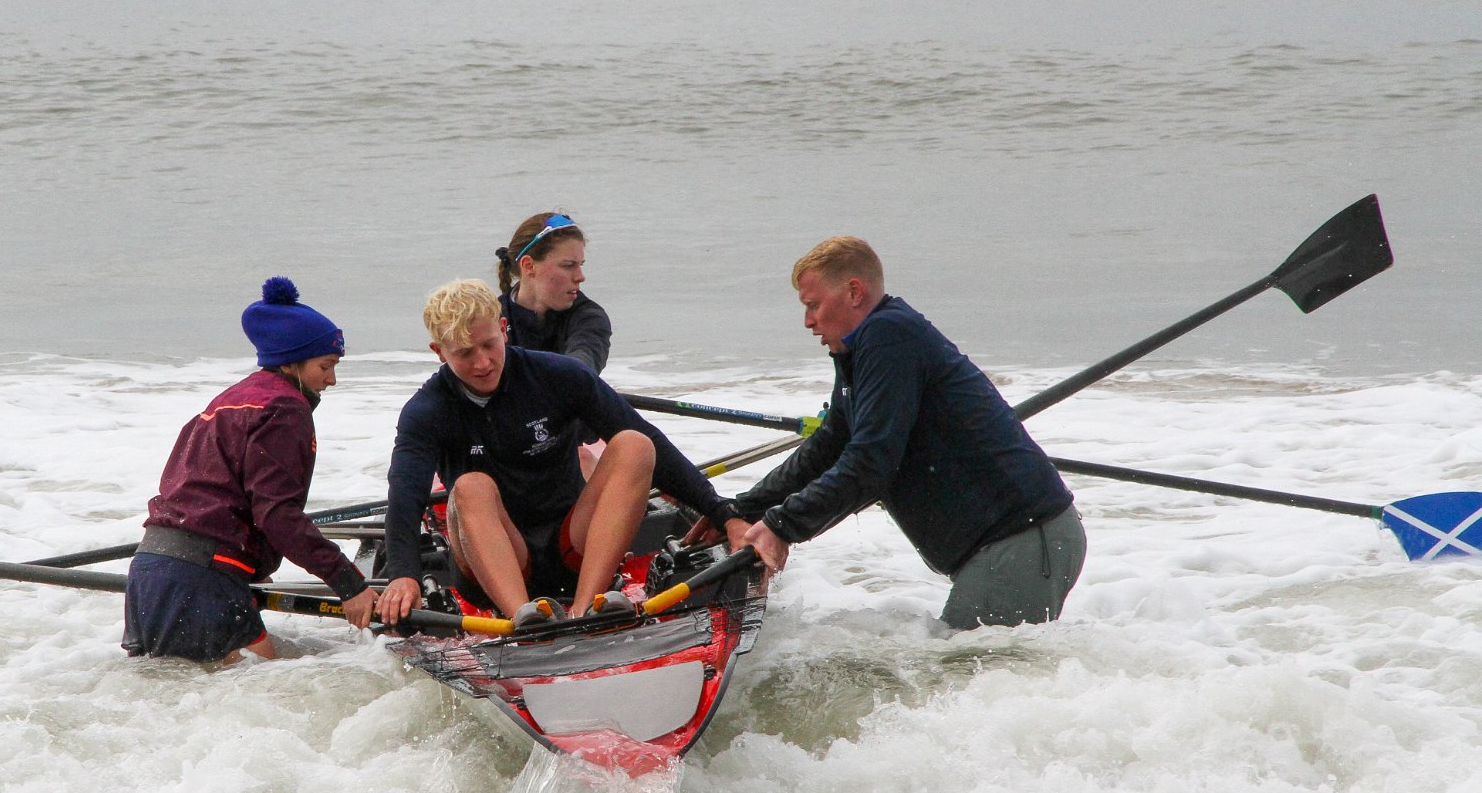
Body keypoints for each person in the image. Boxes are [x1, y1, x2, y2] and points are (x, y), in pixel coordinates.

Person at [689, 237, 1085, 631]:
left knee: (955, 673)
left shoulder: (889, 337)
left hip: (1023, 539)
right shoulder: (861, 351)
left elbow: (871, 464)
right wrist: (742, 510)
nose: (808, 322)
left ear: (854, 291)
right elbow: (829, 447)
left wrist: (782, 527)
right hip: (1013, 544)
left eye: (813, 306)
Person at [375, 279, 741, 630]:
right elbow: (406, 494)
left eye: (489, 345)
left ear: (503, 328)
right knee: (471, 486)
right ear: (439, 352)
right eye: (465, 353)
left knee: (635, 444)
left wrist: (723, 513)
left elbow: (653, 441)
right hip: (496, 564)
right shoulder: (425, 411)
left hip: (573, 547)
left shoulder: (559, 375)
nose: (483, 363)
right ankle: (523, 618)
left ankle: (586, 607)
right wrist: (402, 575)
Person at [124, 278, 376, 662]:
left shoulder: (230, 399)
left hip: (151, 568)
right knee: (277, 698)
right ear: (291, 362)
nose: (332, 379)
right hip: (201, 578)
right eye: (325, 366)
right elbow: (278, 515)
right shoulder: (284, 410)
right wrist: (349, 583)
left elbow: (207, 491)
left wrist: (253, 565)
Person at [494, 212, 612, 374]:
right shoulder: (490, 317)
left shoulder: (589, 317)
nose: (580, 277)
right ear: (529, 266)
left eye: (580, 265)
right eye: (568, 265)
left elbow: (582, 364)